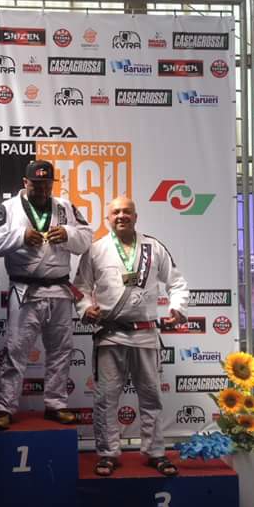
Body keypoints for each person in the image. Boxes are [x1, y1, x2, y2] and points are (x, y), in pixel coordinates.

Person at [74, 196, 188, 477]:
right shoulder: (96, 250)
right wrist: (86, 308)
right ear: (107, 219)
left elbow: (176, 282)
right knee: (106, 399)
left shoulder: (153, 247)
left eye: (127, 211)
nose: (121, 216)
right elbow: (81, 287)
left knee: (151, 397)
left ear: (136, 216)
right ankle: (108, 453)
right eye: (115, 212)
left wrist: (177, 307)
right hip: (110, 335)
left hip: (145, 334)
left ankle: (155, 451)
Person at [0, 160, 93, 430]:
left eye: (46, 184)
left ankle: (55, 404)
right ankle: (5, 406)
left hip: (59, 289)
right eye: (36, 184)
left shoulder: (65, 207)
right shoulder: (8, 208)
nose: (42, 188)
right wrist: (20, 236)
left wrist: (67, 234)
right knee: (16, 350)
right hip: (25, 290)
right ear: (25, 183)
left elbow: (86, 239)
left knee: (61, 351)